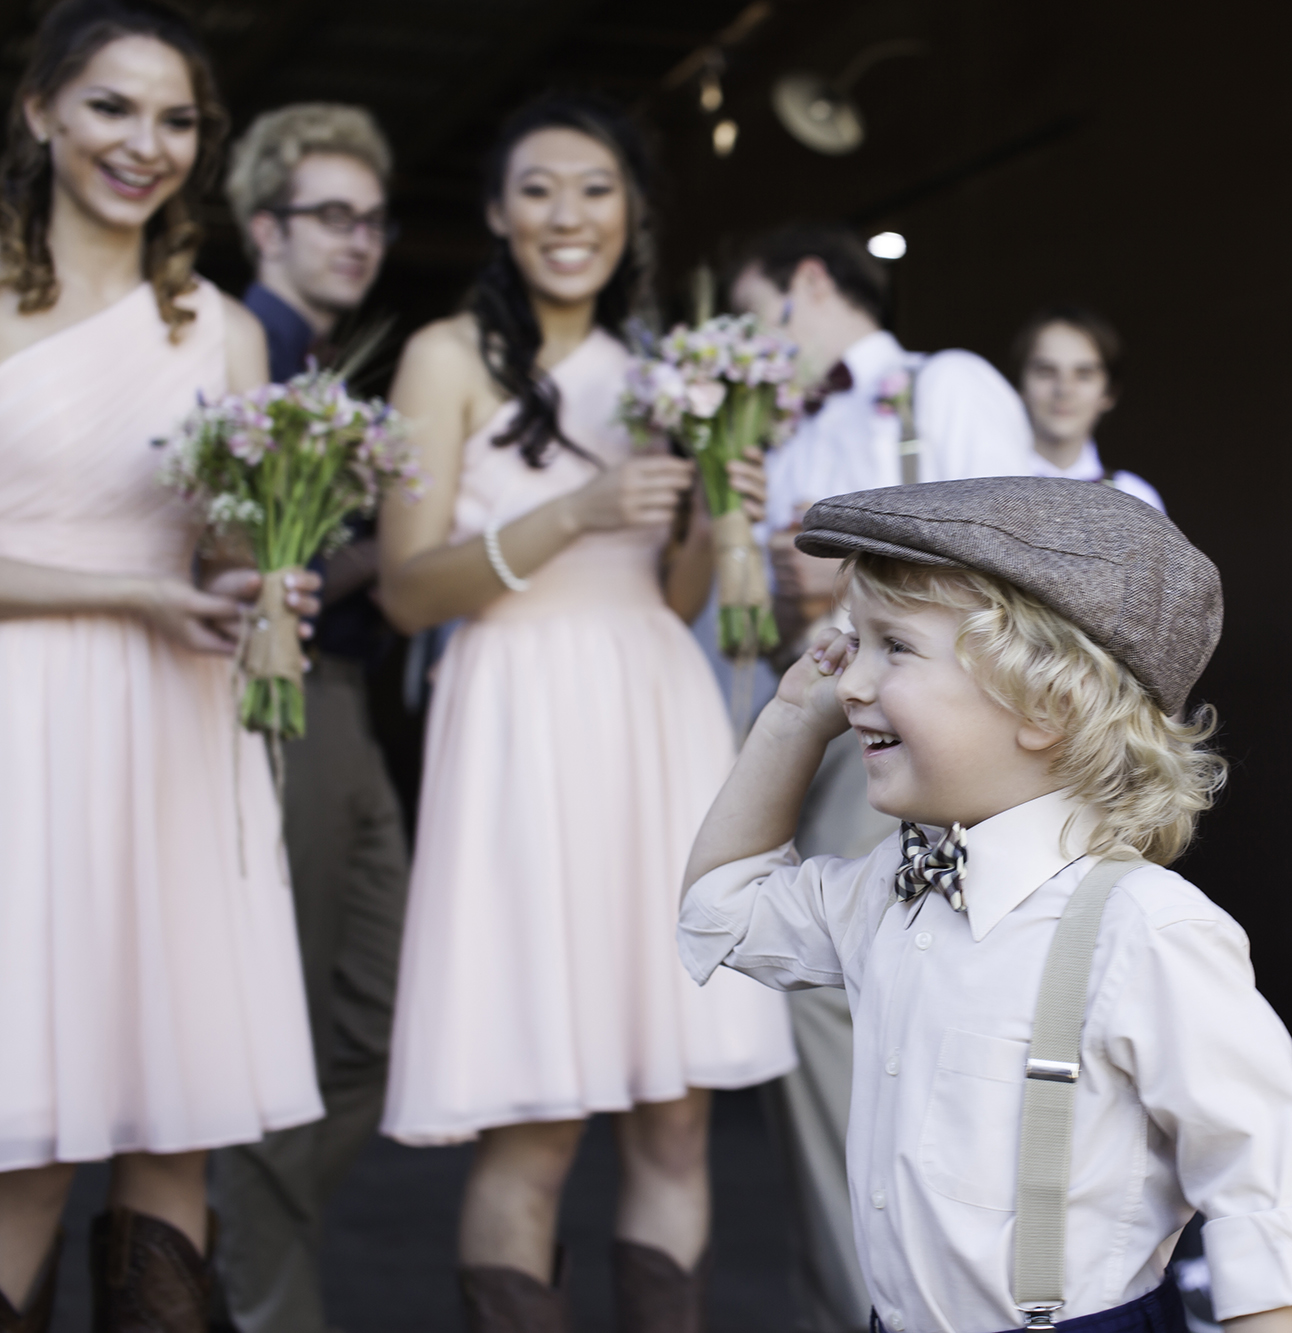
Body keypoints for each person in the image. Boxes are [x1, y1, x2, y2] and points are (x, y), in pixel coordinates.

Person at [680, 477, 1292, 1333]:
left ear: (1044, 705)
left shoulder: (1147, 932)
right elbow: (721, 907)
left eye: (895, 647)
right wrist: (787, 724)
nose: (849, 682)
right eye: (853, 644)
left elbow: (1261, 1213)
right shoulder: (889, 890)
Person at [376, 93, 793, 1333]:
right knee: (536, 1112)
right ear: (499, 213)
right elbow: (404, 591)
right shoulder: (445, 357)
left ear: (633, 214)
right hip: (515, 715)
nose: (570, 215)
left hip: (654, 714)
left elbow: (669, 598)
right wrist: (577, 508)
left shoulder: (664, 369)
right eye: (541, 189)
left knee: (676, 1106)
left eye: (596, 189)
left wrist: (722, 514)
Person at [0, 2, 325, 1328]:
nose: (145, 143)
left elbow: (232, 547)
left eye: (177, 118)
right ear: (42, 115)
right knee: (28, 1134)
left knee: (173, 1127)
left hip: (180, 740)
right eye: (112, 108)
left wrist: (271, 586)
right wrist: (135, 591)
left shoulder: (227, 335)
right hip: (26, 725)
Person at [727, 223, 1036, 1333]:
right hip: (815, 724)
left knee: (856, 999)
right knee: (820, 1003)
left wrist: (848, 604)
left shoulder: (942, 383)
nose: (755, 351)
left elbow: (1014, 541)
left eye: (757, 313)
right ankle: (856, 1295)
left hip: (936, 730)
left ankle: (902, 1296)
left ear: (808, 282)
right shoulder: (784, 434)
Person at [209, 102, 406, 1333]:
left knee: (379, 1021)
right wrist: (404, 544)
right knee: (284, 1021)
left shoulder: (329, 372)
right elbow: (226, 559)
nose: (362, 240)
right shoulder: (240, 352)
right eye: (332, 216)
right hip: (262, 706)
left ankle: (239, 1227)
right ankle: (263, 1291)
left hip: (342, 702)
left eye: (376, 220)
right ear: (262, 223)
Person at [1013, 306, 1163, 512]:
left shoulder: (1137, 499)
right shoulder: (984, 484)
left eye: (1084, 374)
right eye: (1046, 372)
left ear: (1109, 393)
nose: (1064, 389)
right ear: (1020, 386)